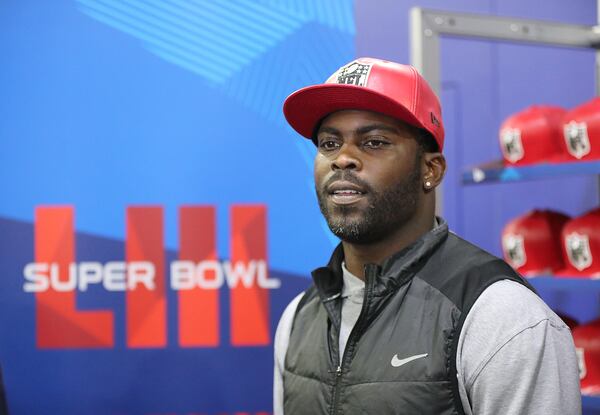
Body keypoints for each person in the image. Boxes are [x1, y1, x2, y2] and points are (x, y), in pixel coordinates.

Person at [273, 57, 581, 415]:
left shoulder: (503, 317)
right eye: (329, 143)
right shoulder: (298, 317)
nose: (342, 159)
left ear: (430, 169)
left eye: (373, 142)